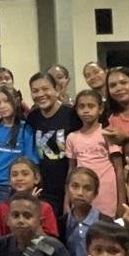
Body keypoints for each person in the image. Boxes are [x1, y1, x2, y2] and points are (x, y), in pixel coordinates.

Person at [27, 72, 81, 213]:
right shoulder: (32, 117)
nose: (41, 94)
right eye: (35, 91)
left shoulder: (71, 114)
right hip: (42, 188)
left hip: (67, 187)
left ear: (56, 89)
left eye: (45, 89)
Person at [66, 90, 124, 217]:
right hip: (82, 192)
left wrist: (122, 202)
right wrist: (67, 201)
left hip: (106, 192)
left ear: (100, 109)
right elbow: (71, 170)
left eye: (91, 106)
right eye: (81, 106)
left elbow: (119, 169)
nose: (86, 110)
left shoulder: (108, 134)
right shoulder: (72, 137)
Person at [0, 158, 58, 237]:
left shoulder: (45, 208)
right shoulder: (2, 209)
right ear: (9, 180)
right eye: (14, 174)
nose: (19, 178)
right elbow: (0, 239)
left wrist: (32, 207)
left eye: (25, 174)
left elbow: (51, 242)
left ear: (36, 178)